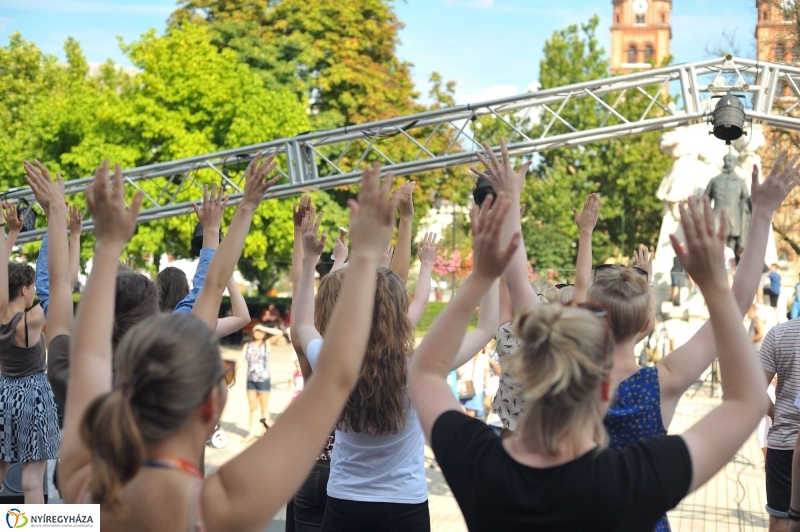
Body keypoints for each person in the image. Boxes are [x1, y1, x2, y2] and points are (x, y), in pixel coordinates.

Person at [409, 174, 767, 531]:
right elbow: (747, 402)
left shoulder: (481, 463)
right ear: (604, 387)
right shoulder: (636, 477)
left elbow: (424, 371)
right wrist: (723, 272)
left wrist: (482, 272)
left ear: (530, 377)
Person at [56, 155, 395, 532]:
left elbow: (89, 354)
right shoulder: (216, 509)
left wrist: (106, 247)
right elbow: (336, 378)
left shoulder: (82, 487)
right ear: (211, 407)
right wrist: (365, 258)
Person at [294, 198, 497, 532]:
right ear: (400, 314)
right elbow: (486, 327)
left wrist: (309, 262)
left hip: (343, 502)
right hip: (404, 505)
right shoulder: (418, 367)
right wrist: (486, 265)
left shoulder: (333, 360)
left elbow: (304, 324)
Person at [0, 198, 60, 504]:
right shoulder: (30, 321)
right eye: (31, 288)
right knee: (33, 481)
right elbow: (52, 286)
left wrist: (10, 234)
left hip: (2, 392)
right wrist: (52, 229)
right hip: (32, 394)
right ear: (24, 290)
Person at [761, 301, 800, 531]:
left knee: (780, 521)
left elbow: (755, 390)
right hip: (785, 444)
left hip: (783, 444)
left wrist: (775, 415)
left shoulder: (779, 334)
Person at [236, 323, 283, 442]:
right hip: (251, 380)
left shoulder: (267, 344)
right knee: (252, 408)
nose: (258, 332)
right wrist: (231, 370)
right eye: (256, 330)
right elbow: (240, 360)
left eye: (260, 331)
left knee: (264, 408)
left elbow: (280, 333)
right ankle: (251, 433)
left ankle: (265, 432)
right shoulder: (248, 345)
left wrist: (263, 327)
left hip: (263, 380)